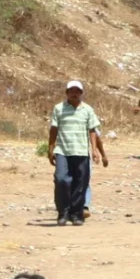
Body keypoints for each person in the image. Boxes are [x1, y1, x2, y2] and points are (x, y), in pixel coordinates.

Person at [48, 80, 101, 227]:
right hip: (63, 151)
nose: (74, 93)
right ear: (66, 93)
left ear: (81, 93)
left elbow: (92, 131)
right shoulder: (58, 108)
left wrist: (94, 150)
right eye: (71, 90)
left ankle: (76, 214)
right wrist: (50, 147)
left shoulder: (87, 110)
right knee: (61, 180)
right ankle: (62, 212)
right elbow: (54, 129)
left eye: (77, 91)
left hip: (81, 151)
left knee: (80, 183)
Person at [82, 128, 109, 219]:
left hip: (83, 155)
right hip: (65, 154)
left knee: (85, 180)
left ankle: (85, 206)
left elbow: (95, 136)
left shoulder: (87, 115)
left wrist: (103, 155)